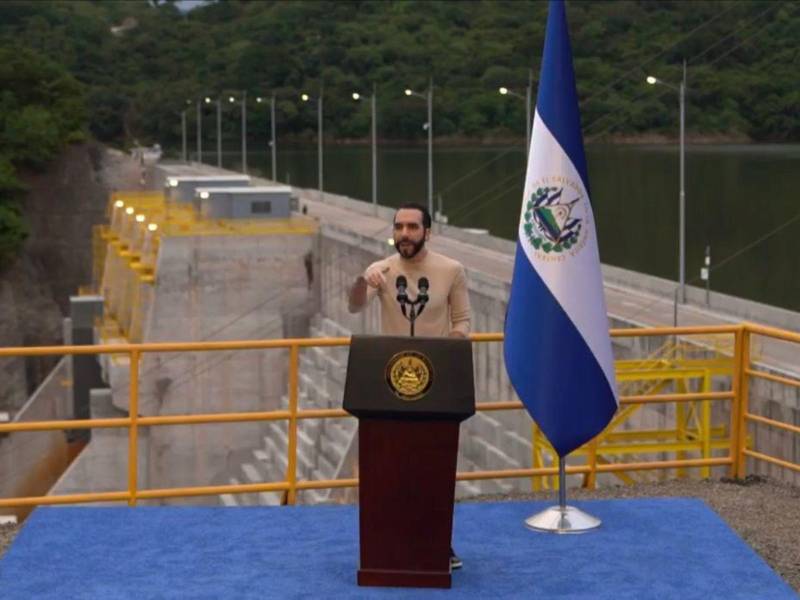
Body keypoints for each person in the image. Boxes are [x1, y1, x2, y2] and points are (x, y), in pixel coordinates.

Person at [348, 202, 470, 570]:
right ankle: (388, 545)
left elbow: (461, 321)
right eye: (399, 226)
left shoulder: (451, 270)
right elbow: (354, 306)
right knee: (390, 469)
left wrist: (448, 354)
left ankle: (437, 544)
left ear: (427, 232)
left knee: (432, 469)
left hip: (435, 388)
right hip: (391, 386)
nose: (404, 233)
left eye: (412, 227)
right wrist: (362, 279)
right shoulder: (383, 271)